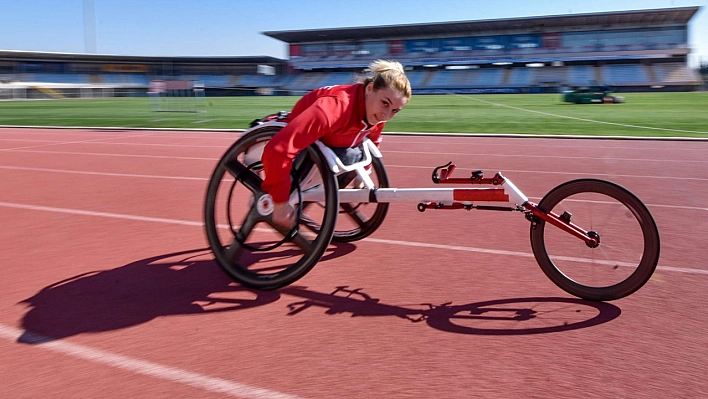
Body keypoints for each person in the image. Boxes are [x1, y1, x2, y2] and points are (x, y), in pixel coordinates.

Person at [260, 59, 412, 230]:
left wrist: (362, 174)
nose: (386, 115)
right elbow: (278, 149)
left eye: (395, 111)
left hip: (332, 147)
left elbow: (372, 140)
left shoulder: (377, 114)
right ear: (369, 89)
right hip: (302, 146)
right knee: (346, 156)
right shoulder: (334, 107)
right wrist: (280, 202)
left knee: (351, 157)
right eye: (385, 103)